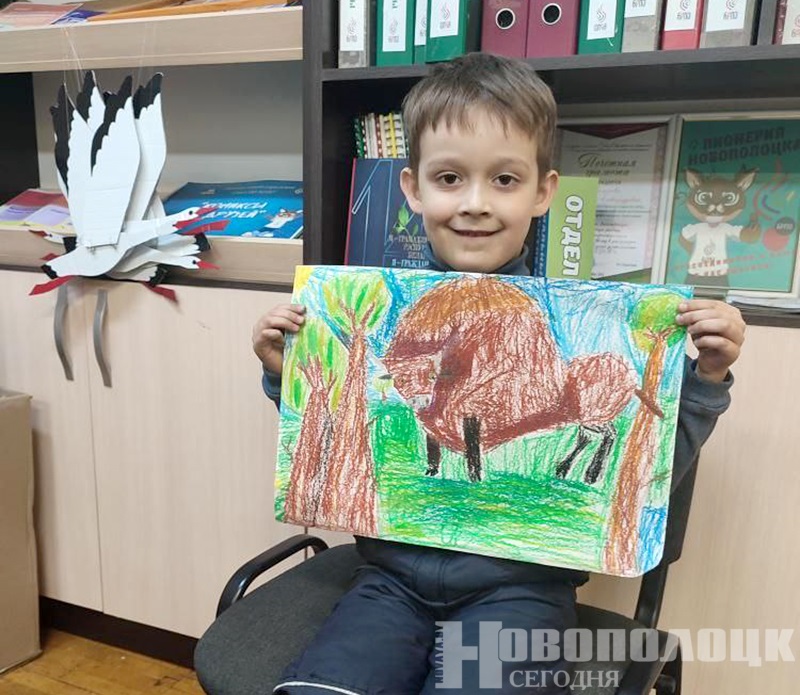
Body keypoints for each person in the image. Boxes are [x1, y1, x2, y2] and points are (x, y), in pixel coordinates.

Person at [251, 53, 745, 695]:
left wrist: (705, 379)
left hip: (524, 591)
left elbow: (648, 465)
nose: (476, 204)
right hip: (386, 581)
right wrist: (287, 374)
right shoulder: (386, 315)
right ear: (413, 189)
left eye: (505, 179)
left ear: (543, 191)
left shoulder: (588, 327)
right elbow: (340, 435)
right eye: (449, 177)